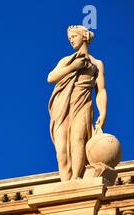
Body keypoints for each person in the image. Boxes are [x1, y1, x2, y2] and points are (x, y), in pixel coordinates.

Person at [47, 25, 107, 181]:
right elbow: (51, 78)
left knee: (78, 139)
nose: (71, 40)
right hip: (62, 106)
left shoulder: (97, 64)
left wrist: (103, 113)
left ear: (84, 36)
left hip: (83, 104)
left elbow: (101, 90)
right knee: (61, 149)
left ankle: (76, 178)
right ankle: (65, 182)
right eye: (69, 38)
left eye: (73, 36)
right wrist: (73, 67)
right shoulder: (67, 60)